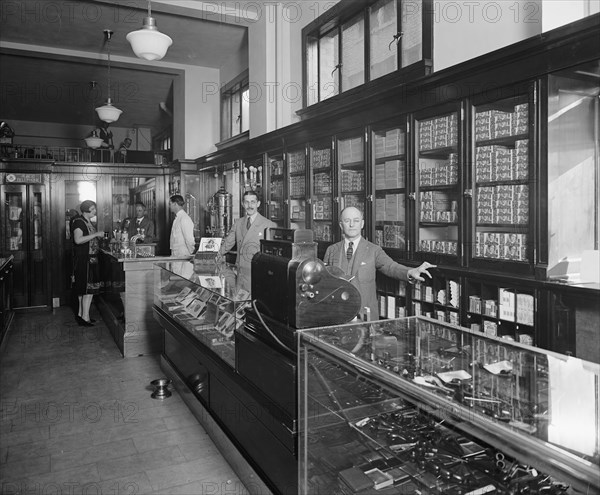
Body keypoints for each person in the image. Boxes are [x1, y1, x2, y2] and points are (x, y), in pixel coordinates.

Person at [324, 206, 436, 321]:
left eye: (356, 221)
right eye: (347, 221)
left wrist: (410, 271)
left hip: (364, 315)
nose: (352, 225)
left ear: (362, 224)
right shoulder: (331, 250)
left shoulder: (374, 250)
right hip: (337, 314)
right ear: (341, 225)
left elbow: (391, 266)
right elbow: (324, 282)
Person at [217, 190, 276, 292]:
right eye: (246, 202)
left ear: (258, 204)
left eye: (253, 202)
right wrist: (214, 255)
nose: (250, 205)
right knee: (241, 301)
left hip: (257, 273)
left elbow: (272, 256)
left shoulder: (268, 225)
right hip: (240, 272)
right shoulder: (238, 223)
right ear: (243, 204)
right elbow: (228, 243)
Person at [71, 200, 105, 326]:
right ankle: (85, 317)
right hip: (84, 260)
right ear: (87, 210)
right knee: (87, 289)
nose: (95, 211)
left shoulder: (88, 222)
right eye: (93, 209)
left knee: (85, 289)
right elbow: (78, 240)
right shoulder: (79, 222)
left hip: (90, 258)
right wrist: (96, 234)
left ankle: (82, 315)